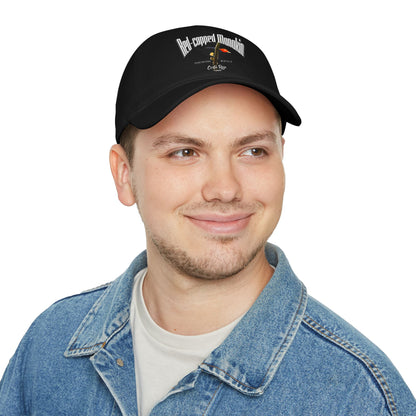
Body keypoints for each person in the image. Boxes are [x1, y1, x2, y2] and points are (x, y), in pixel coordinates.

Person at [0, 24, 414, 416]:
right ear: (124, 174)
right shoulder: (48, 348)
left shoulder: (357, 395)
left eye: (253, 151)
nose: (225, 188)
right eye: (185, 152)